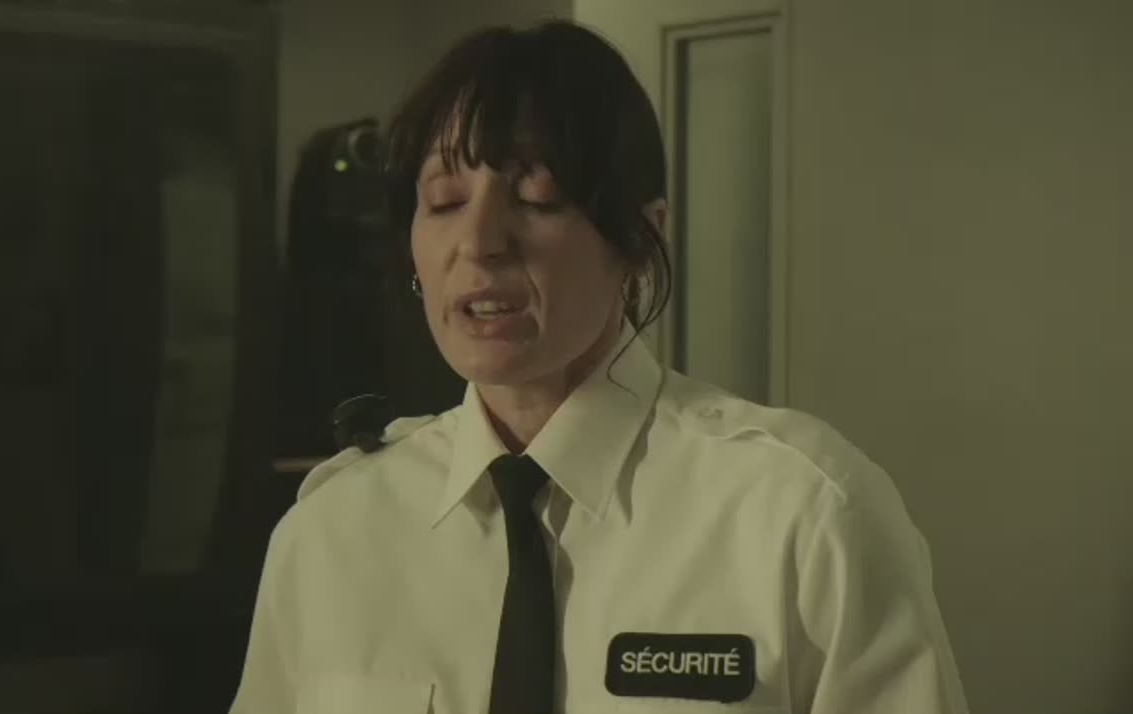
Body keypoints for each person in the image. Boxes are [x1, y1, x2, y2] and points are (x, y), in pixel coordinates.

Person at [230, 20, 970, 714]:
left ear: (641, 239)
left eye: (536, 197)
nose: (480, 242)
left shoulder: (801, 514)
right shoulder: (332, 533)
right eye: (445, 200)